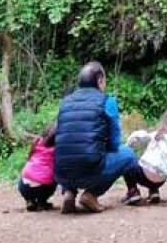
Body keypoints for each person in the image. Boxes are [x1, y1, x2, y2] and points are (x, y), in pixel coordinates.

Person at [54, 60, 143, 213]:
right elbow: (114, 142)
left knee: (70, 149)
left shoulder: (65, 102)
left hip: (61, 172)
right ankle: (91, 194)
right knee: (128, 154)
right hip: (90, 171)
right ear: (100, 80)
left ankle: (69, 193)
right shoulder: (107, 101)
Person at [124, 106, 167, 205]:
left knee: (126, 161)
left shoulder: (158, 135)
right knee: (160, 167)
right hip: (160, 181)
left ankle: (133, 192)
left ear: (166, 121)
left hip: (143, 175)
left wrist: (129, 142)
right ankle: (154, 191)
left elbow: (140, 136)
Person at [17, 122, 57, 211]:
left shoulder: (37, 141)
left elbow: (29, 157)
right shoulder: (55, 149)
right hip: (43, 187)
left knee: (26, 174)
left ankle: (30, 200)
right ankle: (42, 201)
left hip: (24, 185)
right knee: (55, 177)